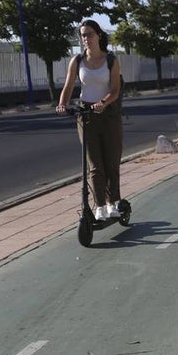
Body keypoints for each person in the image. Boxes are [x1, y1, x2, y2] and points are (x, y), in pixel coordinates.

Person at [56, 19, 123, 221]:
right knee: (94, 164)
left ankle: (113, 202)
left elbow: (115, 90)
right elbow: (68, 86)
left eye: (89, 34)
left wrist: (103, 102)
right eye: (83, 35)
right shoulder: (77, 61)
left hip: (108, 114)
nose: (86, 38)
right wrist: (62, 104)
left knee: (111, 162)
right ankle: (100, 206)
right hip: (86, 114)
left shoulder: (111, 60)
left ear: (99, 35)